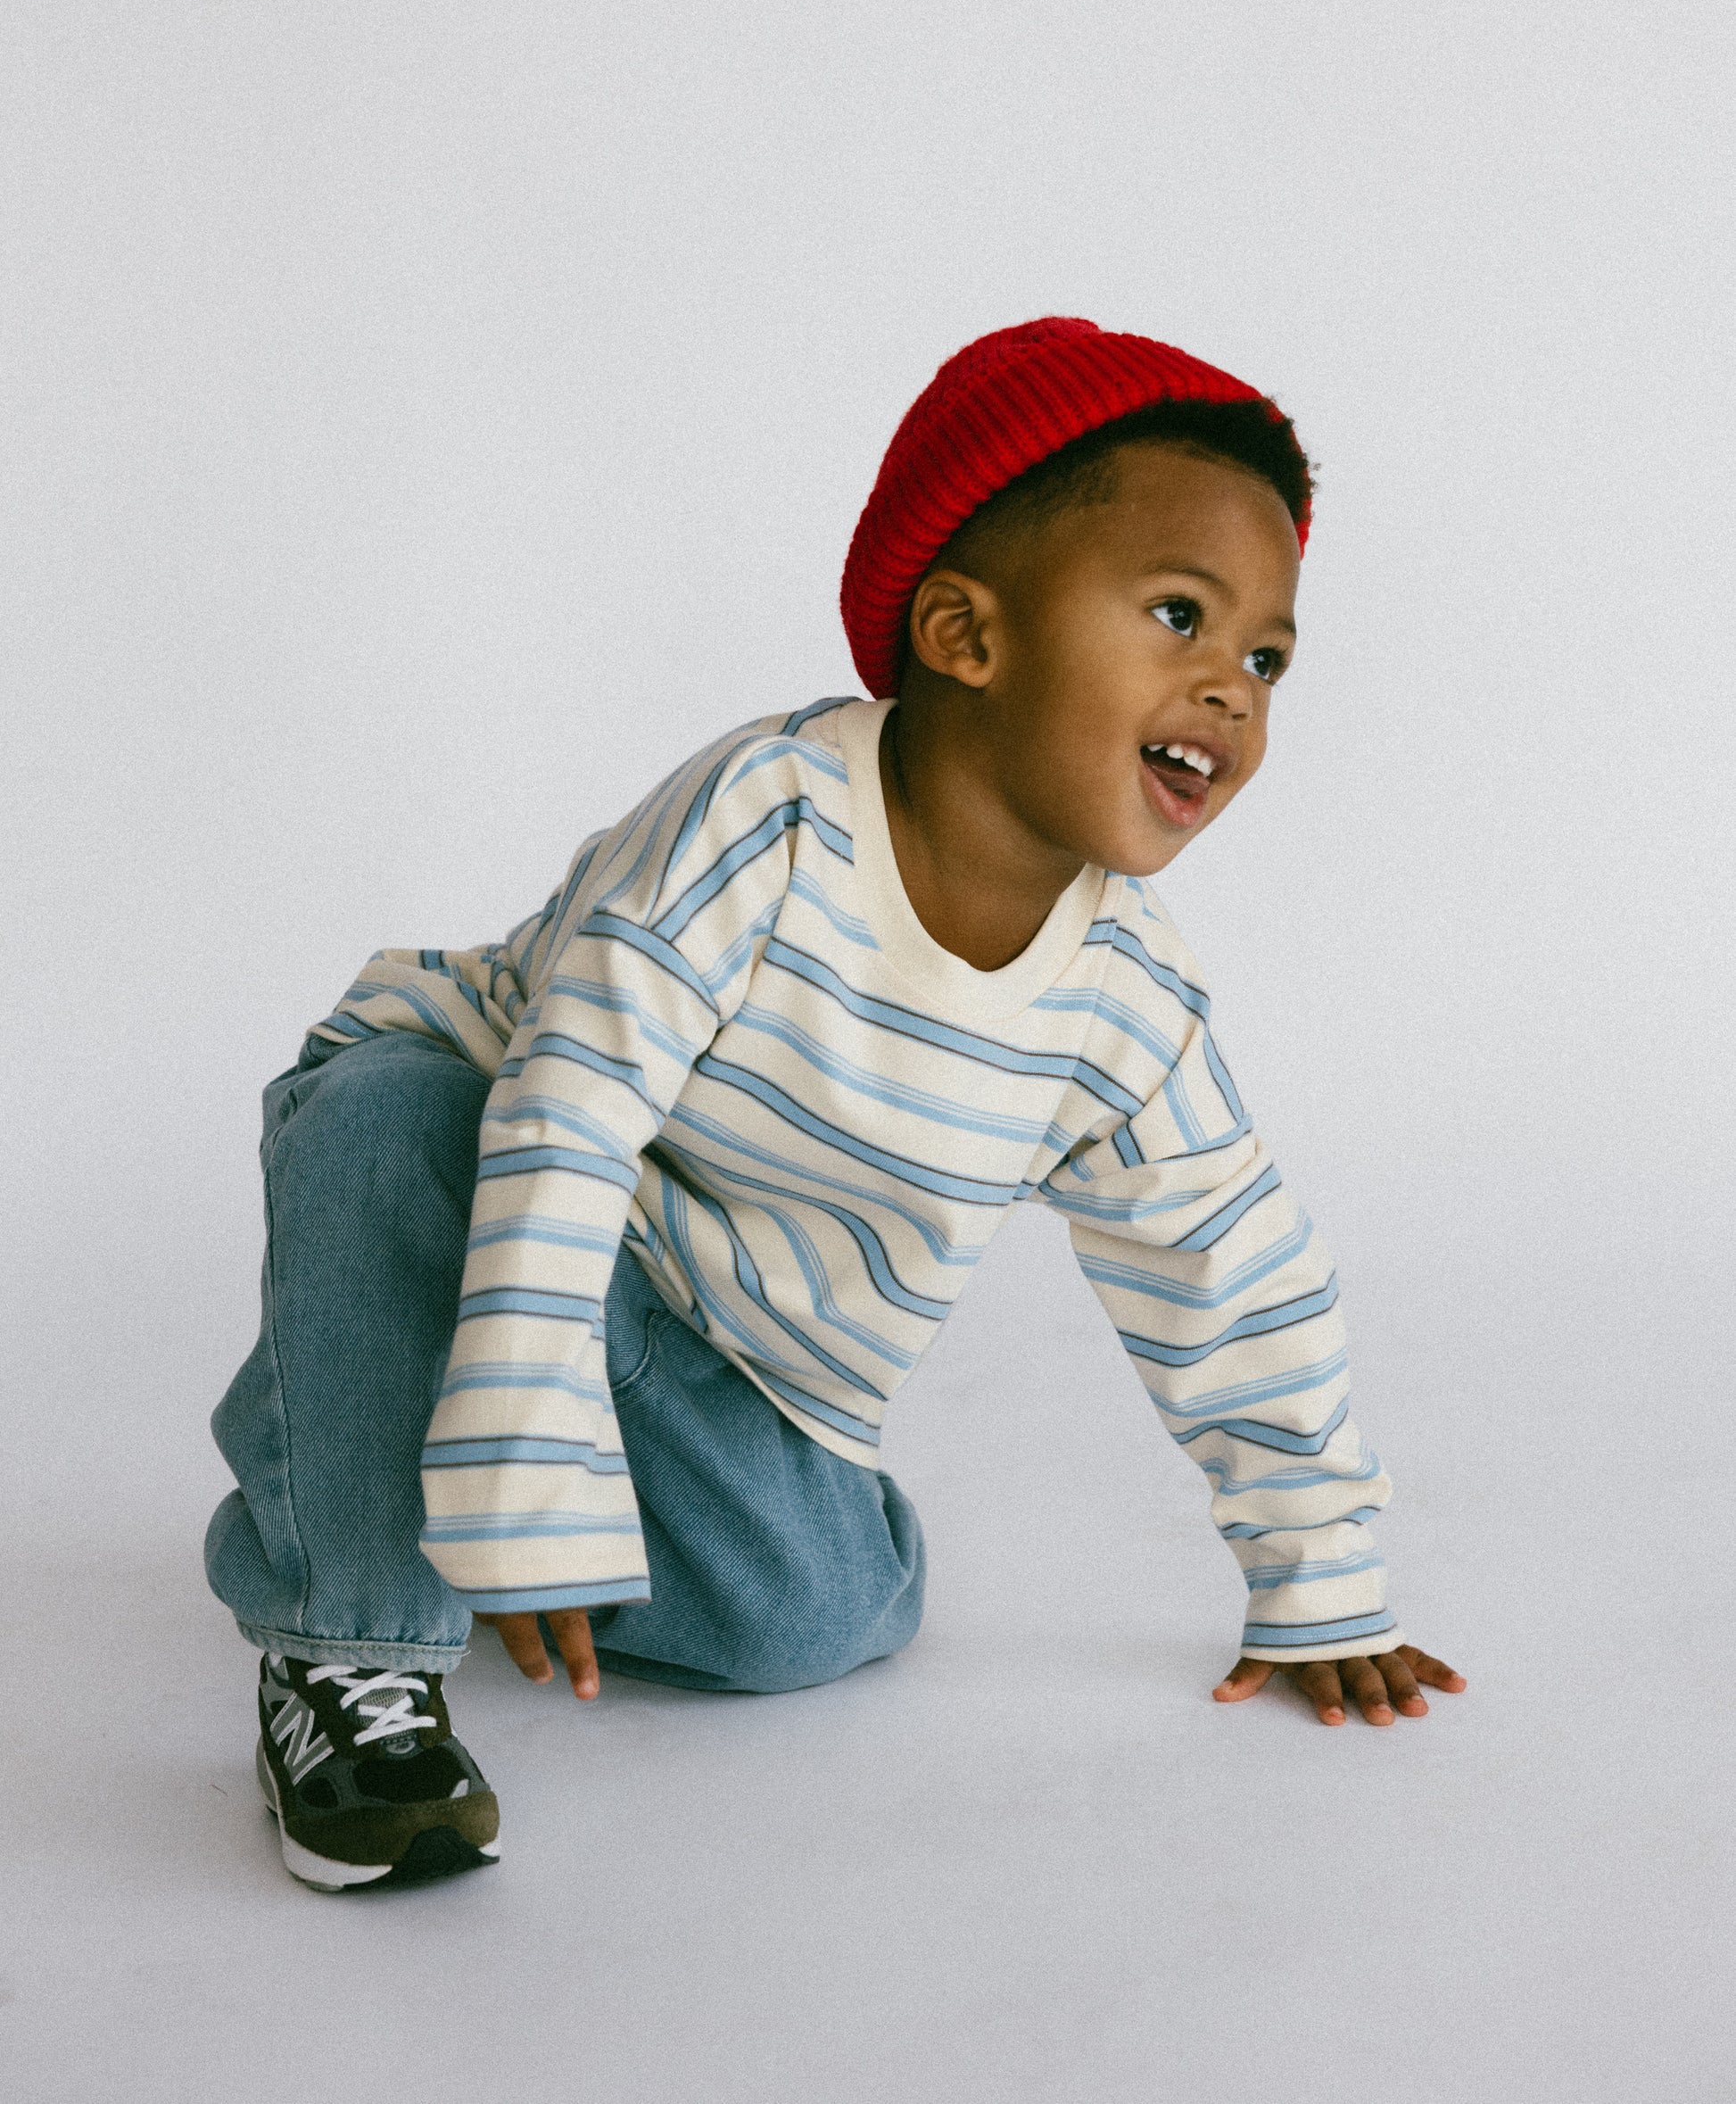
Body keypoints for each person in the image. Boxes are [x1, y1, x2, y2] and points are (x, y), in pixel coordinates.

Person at [208, 316, 1465, 1893]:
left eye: (1266, 658)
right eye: (1176, 615)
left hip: (715, 1366)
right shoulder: (769, 819)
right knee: (386, 1117)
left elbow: (1232, 1269)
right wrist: (527, 1448)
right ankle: (349, 1644)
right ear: (964, 631)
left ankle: (415, 1473)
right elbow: (568, 1106)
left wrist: (1320, 1572)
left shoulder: (1127, 1003)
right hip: (492, 1168)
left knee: (821, 1618)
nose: (1230, 688)